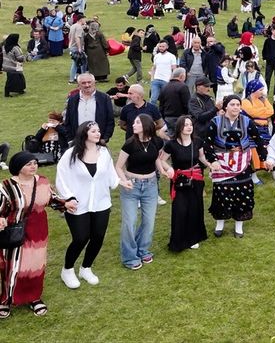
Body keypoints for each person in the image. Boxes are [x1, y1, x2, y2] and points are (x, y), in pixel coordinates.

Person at [55, 122, 129, 289]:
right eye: (93, 131)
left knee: (98, 237)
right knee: (80, 238)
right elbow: (61, 177)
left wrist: (121, 182)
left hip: (101, 203)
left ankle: (86, 268)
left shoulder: (104, 152)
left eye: (98, 130)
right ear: (84, 133)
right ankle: (67, 270)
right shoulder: (71, 154)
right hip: (77, 204)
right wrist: (68, 198)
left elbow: (110, 174)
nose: (98, 133)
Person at [0, 152, 75, 317]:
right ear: (18, 167)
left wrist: (65, 204)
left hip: (38, 230)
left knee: (35, 265)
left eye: (34, 163)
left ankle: (34, 298)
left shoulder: (42, 181)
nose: (33, 166)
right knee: (13, 266)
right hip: (14, 232)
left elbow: (51, 198)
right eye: (28, 164)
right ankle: (6, 300)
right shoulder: (6, 187)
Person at [203, 95, 268, 237]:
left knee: (242, 193)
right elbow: (207, 143)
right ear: (225, 106)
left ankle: (239, 226)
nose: (236, 107)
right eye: (232, 104)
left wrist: (264, 157)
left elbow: (258, 139)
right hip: (222, 163)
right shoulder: (215, 122)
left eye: (238, 105)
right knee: (221, 192)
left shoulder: (247, 121)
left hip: (242, 162)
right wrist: (213, 160)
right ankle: (220, 223)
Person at [114, 114, 166, 270]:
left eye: (137, 122)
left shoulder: (157, 141)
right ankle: (130, 257)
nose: (133, 124)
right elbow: (118, 166)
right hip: (132, 185)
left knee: (149, 221)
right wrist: (124, 181)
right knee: (130, 222)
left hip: (151, 185)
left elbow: (156, 158)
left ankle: (142, 250)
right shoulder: (129, 144)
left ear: (145, 125)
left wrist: (163, 170)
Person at [161, 116, 209, 251]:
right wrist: (169, 169)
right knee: (180, 209)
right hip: (180, 181)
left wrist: (210, 164)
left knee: (195, 208)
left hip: (196, 180)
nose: (189, 127)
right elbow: (161, 160)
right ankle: (179, 240)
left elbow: (201, 157)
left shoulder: (197, 141)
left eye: (190, 125)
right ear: (179, 127)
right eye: (186, 125)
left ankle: (193, 238)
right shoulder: (171, 144)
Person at [62, 73, 115, 144]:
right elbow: (67, 121)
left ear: (94, 83)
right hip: (77, 141)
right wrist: (70, 139)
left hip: (98, 140)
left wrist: (105, 138)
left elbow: (110, 120)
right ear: (78, 85)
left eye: (89, 82)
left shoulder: (104, 98)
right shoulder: (72, 99)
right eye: (83, 83)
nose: (87, 85)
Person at [241, 79, 273, 184]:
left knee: (267, 149)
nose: (262, 92)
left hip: (264, 129)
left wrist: (260, 113)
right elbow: (252, 113)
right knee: (253, 152)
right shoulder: (245, 102)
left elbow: (271, 111)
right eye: (260, 90)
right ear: (253, 90)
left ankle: (270, 168)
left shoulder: (263, 99)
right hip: (252, 130)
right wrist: (263, 111)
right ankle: (253, 175)